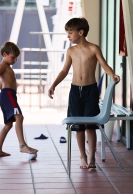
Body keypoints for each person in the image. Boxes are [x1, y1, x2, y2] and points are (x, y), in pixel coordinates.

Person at [48, 18, 120, 169]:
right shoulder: (71, 51)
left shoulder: (94, 49)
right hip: (75, 91)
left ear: (80, 33)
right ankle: (83, 156)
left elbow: (104, 65)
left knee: (90, 125)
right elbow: (64, 71)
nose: (68, 36)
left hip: (90, 91)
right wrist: (54, 84)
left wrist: (112, 75)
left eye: (70, 33)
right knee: (78, 126)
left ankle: (92, 158)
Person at [0, 41, 38, 157]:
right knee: (19, 116)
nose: (15, 60)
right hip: (8, 95)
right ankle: (22, 146)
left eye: (16, 58)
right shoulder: (3, 66)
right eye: (13, 57)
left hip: (8, 94)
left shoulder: (7, 67)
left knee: (8, 124)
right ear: (4, 54)